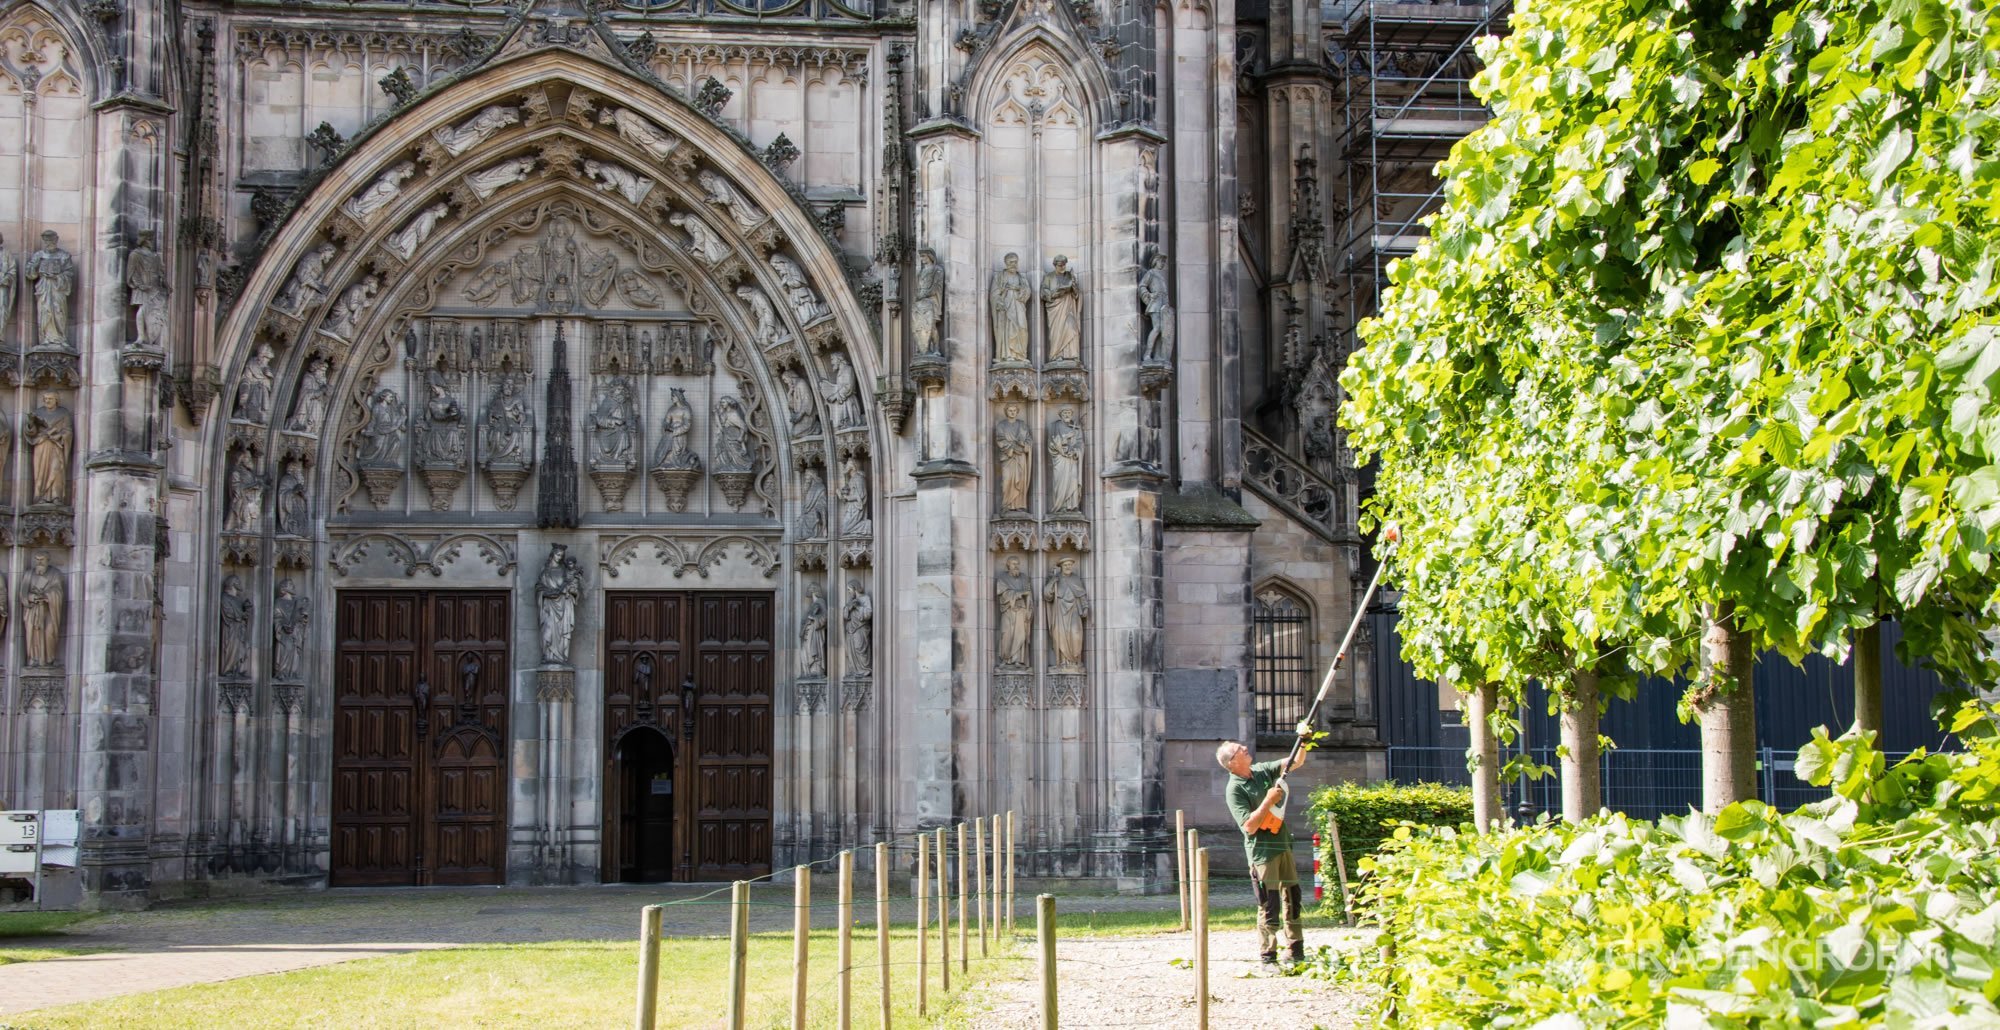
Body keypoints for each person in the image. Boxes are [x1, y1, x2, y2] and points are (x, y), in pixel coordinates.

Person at [1218, 730, 1312, 968]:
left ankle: (1296, 951)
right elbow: (1249, 826)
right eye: (1240, 750)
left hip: (1283, 846)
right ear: (1232, 762)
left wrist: (1304, 740)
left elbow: (1296, 761)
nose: (1245, 749)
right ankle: (1268, 957)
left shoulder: (1261, 770)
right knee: (1269, 904)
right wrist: (1269, 801)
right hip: (1262, 853)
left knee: (1293, 897)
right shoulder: (1234, 789)